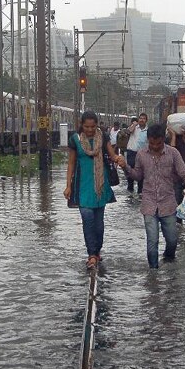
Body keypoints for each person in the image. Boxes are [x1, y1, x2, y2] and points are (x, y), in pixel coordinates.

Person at [116, 124, 185, 269]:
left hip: (168, 204)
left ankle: (169, 261)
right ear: (148, 140)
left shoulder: (173, 153)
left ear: (163, 140)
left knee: (172, 240)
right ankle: (153, 274)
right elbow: (138, 175)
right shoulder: (141, 154)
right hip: (149, 204)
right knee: (152, 241)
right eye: (152, 143)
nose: (155, 146)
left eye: (158, 143)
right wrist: (125, 167)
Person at [64, 111, 120, 269]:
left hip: (100, 187)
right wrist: (68, 185)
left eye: (93, 126)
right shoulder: (75, 140)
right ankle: (92, 255)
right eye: (86, 126)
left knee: (99, 224)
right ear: (81, 125)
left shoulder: (103, 137)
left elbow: (112, 154)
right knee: (87, 219)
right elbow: (71, 164)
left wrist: (119, 159)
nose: (89, 130)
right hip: (82, 186)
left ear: (97, 125)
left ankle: (97, 250)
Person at [125, 113, 149, 196]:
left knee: (141, 172)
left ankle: (140, 191)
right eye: (140, 118)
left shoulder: (148, 130)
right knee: (130, 170)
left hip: (142, 154)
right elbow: (128, 132)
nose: (142, 120)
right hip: (131, 152)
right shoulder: (134, 128)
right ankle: (130, 188)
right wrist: (134, 125)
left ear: (146, 120)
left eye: (144, 118)